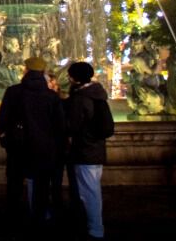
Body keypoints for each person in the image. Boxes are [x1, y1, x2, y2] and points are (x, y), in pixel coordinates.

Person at [0, 56, 65, 230]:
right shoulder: (51, 96)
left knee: (14, 184)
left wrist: (5, 136)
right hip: (43, 148)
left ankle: (13, 220)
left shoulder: (13, 92)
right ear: (42, 73)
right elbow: (60, 125)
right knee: (41, 185)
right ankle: (38, 220)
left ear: (26, 71)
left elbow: (2, 118)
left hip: (17, 146)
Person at [65, 61, 111, 241]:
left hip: (84, 150)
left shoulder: (80, 98)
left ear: (74, 78)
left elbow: (72, 126)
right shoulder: (98, 95)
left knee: (89, 193)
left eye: (70, 75)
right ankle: (91, 225)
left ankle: (95, 229)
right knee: (91, 190)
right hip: (97, 149)